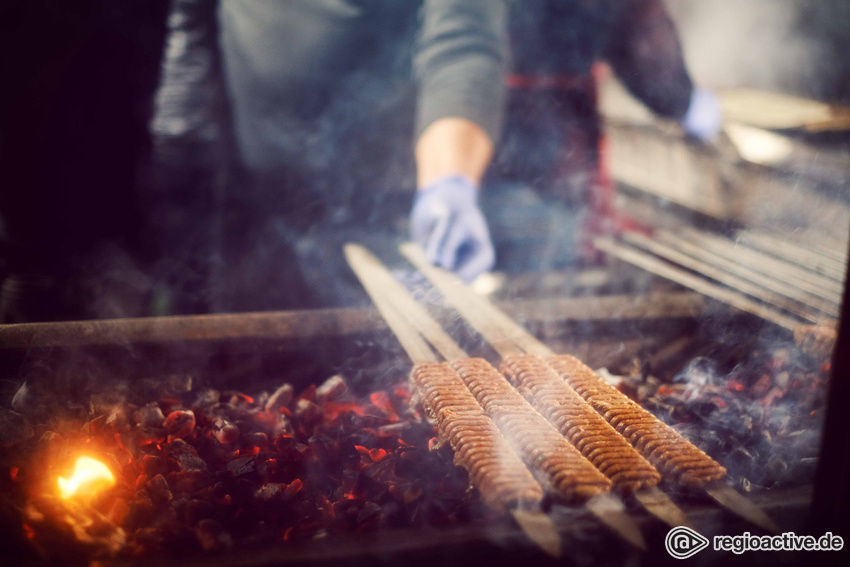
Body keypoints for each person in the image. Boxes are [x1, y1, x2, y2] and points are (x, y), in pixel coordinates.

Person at [146, 0, 508, 313]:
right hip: (254, 216)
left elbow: (465, 42)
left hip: (388, 216)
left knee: (389, 369)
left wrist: (448, 182)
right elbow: (191, 33)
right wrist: (179, 184)